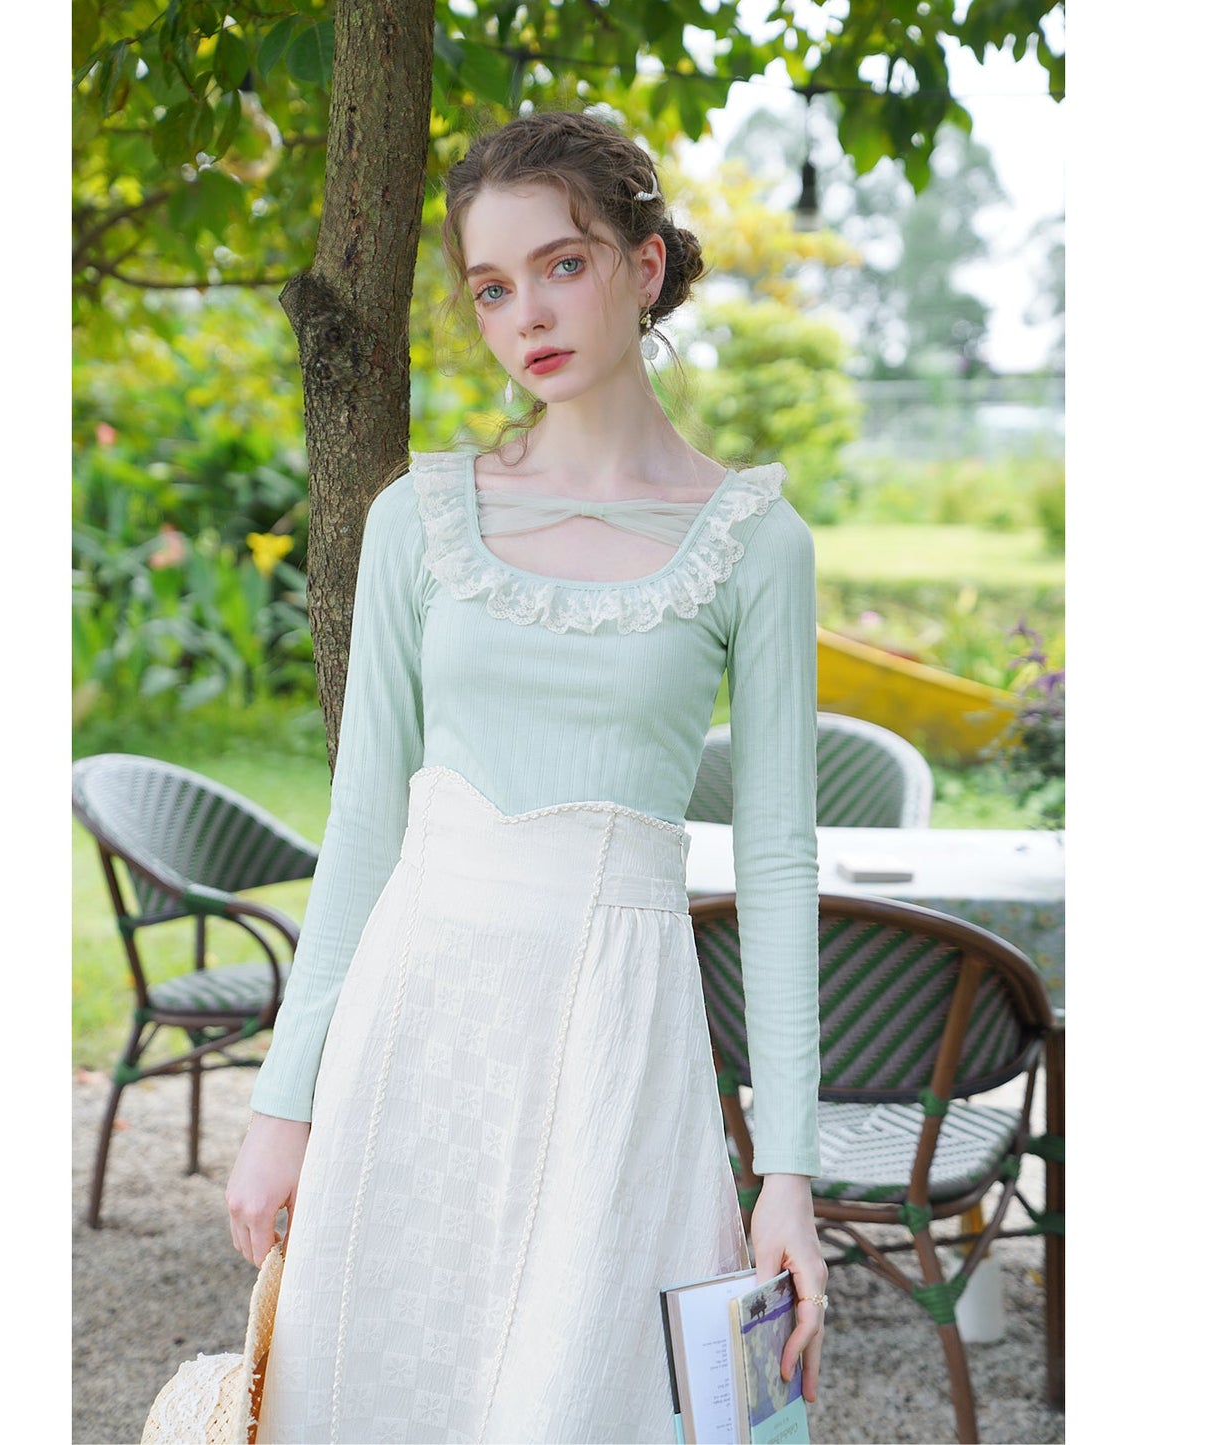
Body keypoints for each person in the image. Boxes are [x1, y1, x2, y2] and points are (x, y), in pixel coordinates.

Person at [225, 108, 826, 1444]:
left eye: (562, 264)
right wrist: (282, 1102)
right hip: (415, 1024)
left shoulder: (756, 542)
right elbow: (363, 832)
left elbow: (781, 867)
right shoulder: (416, 521)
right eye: (492, 287)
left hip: (620, 1035)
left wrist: (785, 1172)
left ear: (644, 265)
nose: (528, 315)